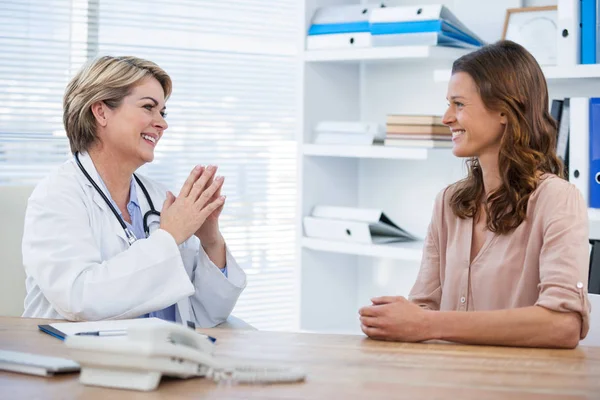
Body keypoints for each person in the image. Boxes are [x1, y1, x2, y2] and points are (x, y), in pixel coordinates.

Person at [359, 41, 590, 349]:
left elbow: (563, 325)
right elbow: (424, 308)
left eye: (459, 104)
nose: (446, 118)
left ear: (505, 111)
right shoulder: (448, 203)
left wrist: (426, 323)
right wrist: (396, 320)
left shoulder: (558, 200)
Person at [21, 56, 246, 326]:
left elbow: (203, 315)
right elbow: (79, 300)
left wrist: (211, 241)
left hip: (161, 358)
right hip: (82, 360)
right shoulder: (57, 196)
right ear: (101, 112)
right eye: (148, 107)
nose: (162, 123)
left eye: (162, 112)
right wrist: (169, 236)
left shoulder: (160, 198)